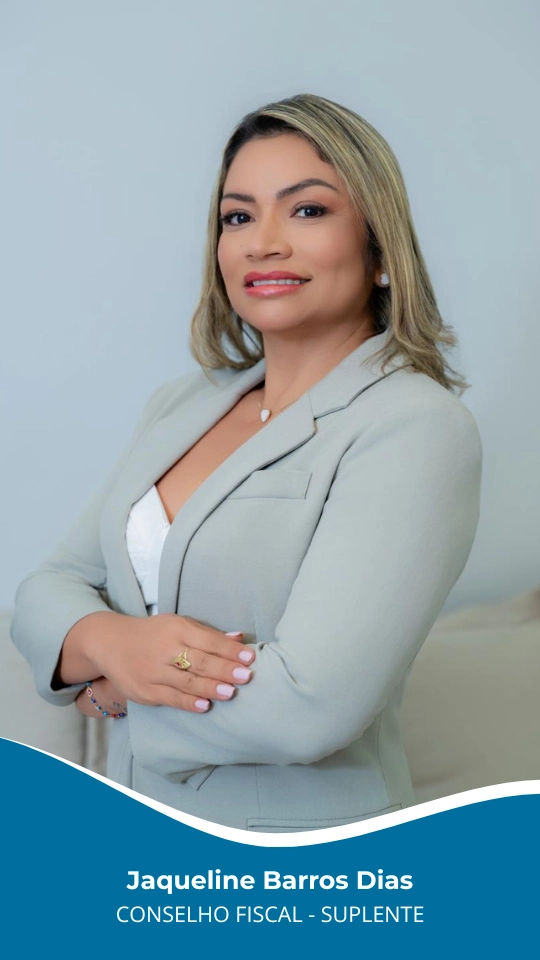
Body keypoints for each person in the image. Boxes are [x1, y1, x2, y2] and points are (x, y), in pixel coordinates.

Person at [10, 92, 483, 833]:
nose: (263, 243)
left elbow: (310, 705)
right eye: (238, 217)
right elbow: (48, 587)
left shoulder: (416, 427)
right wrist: (111, 642)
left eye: (307, 210)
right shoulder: (180, 404)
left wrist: (124, 690)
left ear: (381, 251)